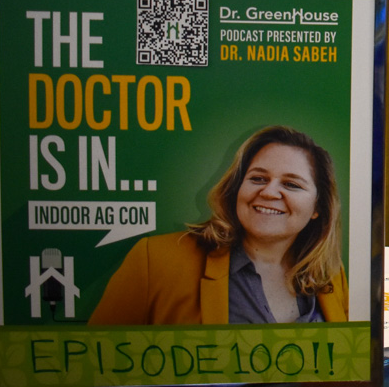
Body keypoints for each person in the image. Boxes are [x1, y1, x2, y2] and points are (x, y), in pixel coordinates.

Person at [90, 126, 347, 325]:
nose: (269, 192)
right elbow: (93, 363)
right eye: (258, 178)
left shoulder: (332, 275)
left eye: (291, 184)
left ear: (318, 207)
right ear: (237, 189)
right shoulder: (155, 260)